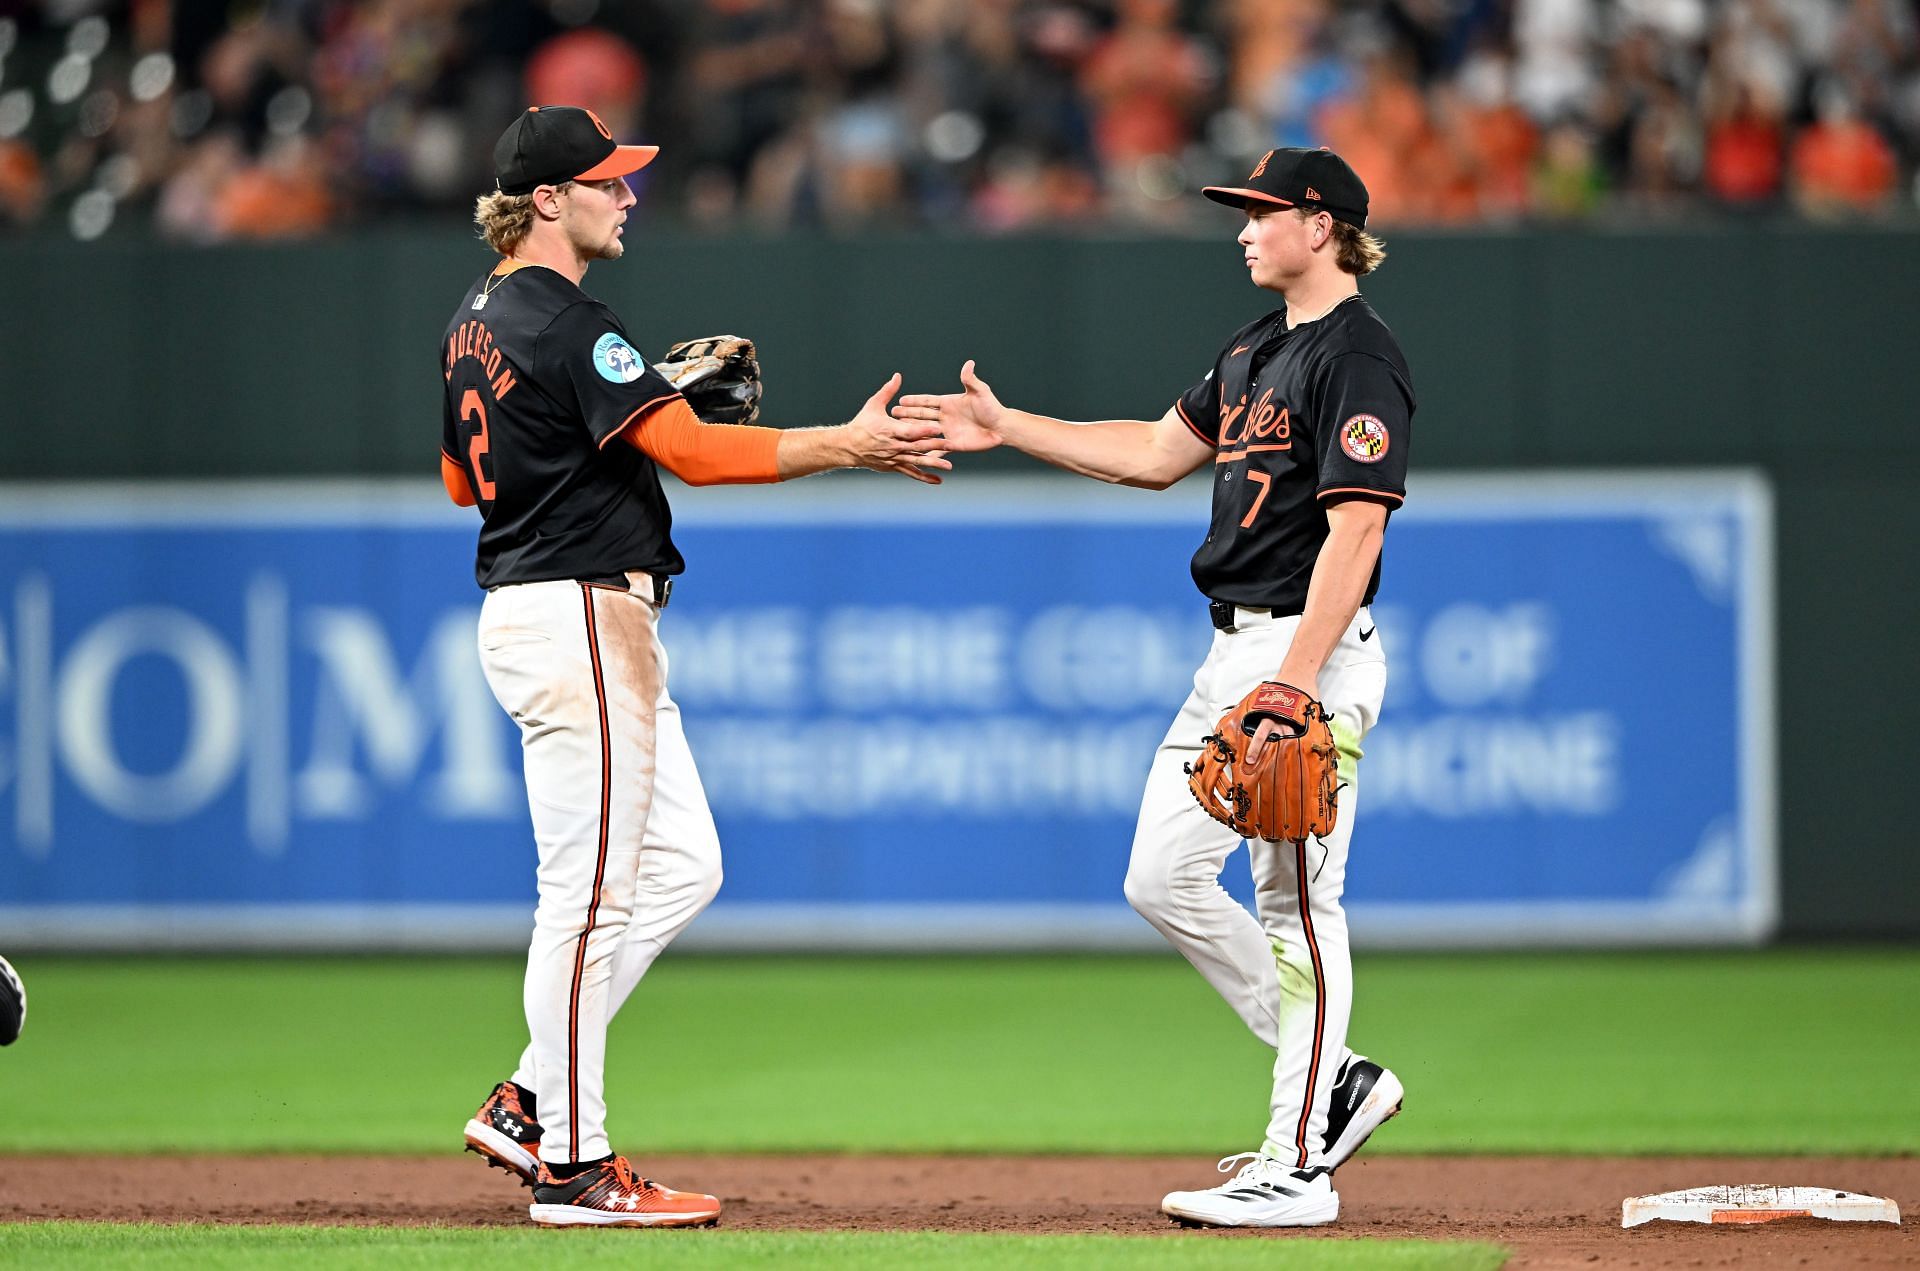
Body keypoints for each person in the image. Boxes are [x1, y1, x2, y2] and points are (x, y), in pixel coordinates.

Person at [440, 104, 947, 1229]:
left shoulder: (475, 319)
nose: (627, 196)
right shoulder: (569, 320)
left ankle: (533, 1095)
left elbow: (460, 480)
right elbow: (696, 456)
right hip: (577, 614)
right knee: (585, 897)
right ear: (547, 202)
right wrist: (848, 444)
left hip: (554, 606)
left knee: (683, 864)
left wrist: (609, 415)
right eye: (607, 182)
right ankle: (575, 1165)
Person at [893, 147, 1411, 1229]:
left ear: (1320, 226)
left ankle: (1298, 1162)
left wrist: (1297, 684)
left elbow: (1357, 527)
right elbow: (1152, 452)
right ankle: (1339, 1081)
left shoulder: (1360, 356)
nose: (1242, 229)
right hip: (1229, 651)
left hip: (1302, 652)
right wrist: (1007, 427)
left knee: (1297, 900)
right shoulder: (1255, 348)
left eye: (1261, 213)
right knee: (1161, 875)